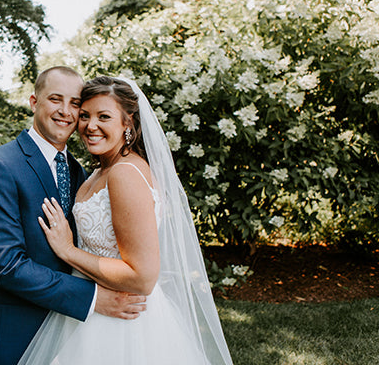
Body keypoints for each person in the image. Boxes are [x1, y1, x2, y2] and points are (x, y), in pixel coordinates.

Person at [18, 75, 233, 364]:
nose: (90, 126)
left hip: (122, 323)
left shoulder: (124, 173)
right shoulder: (99, 171)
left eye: (103, 116)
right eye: (85, 116)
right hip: (92, 310)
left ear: (127, 123)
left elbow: (142, 278)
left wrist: (68, 251)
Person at [0, 67, 147, 365]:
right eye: (55, 99)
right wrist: (94, 298)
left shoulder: (78, 171)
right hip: (9, 334)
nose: (66, 112)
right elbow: (6, 266)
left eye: (75, 104)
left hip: (68, 333)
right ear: (34, 102)